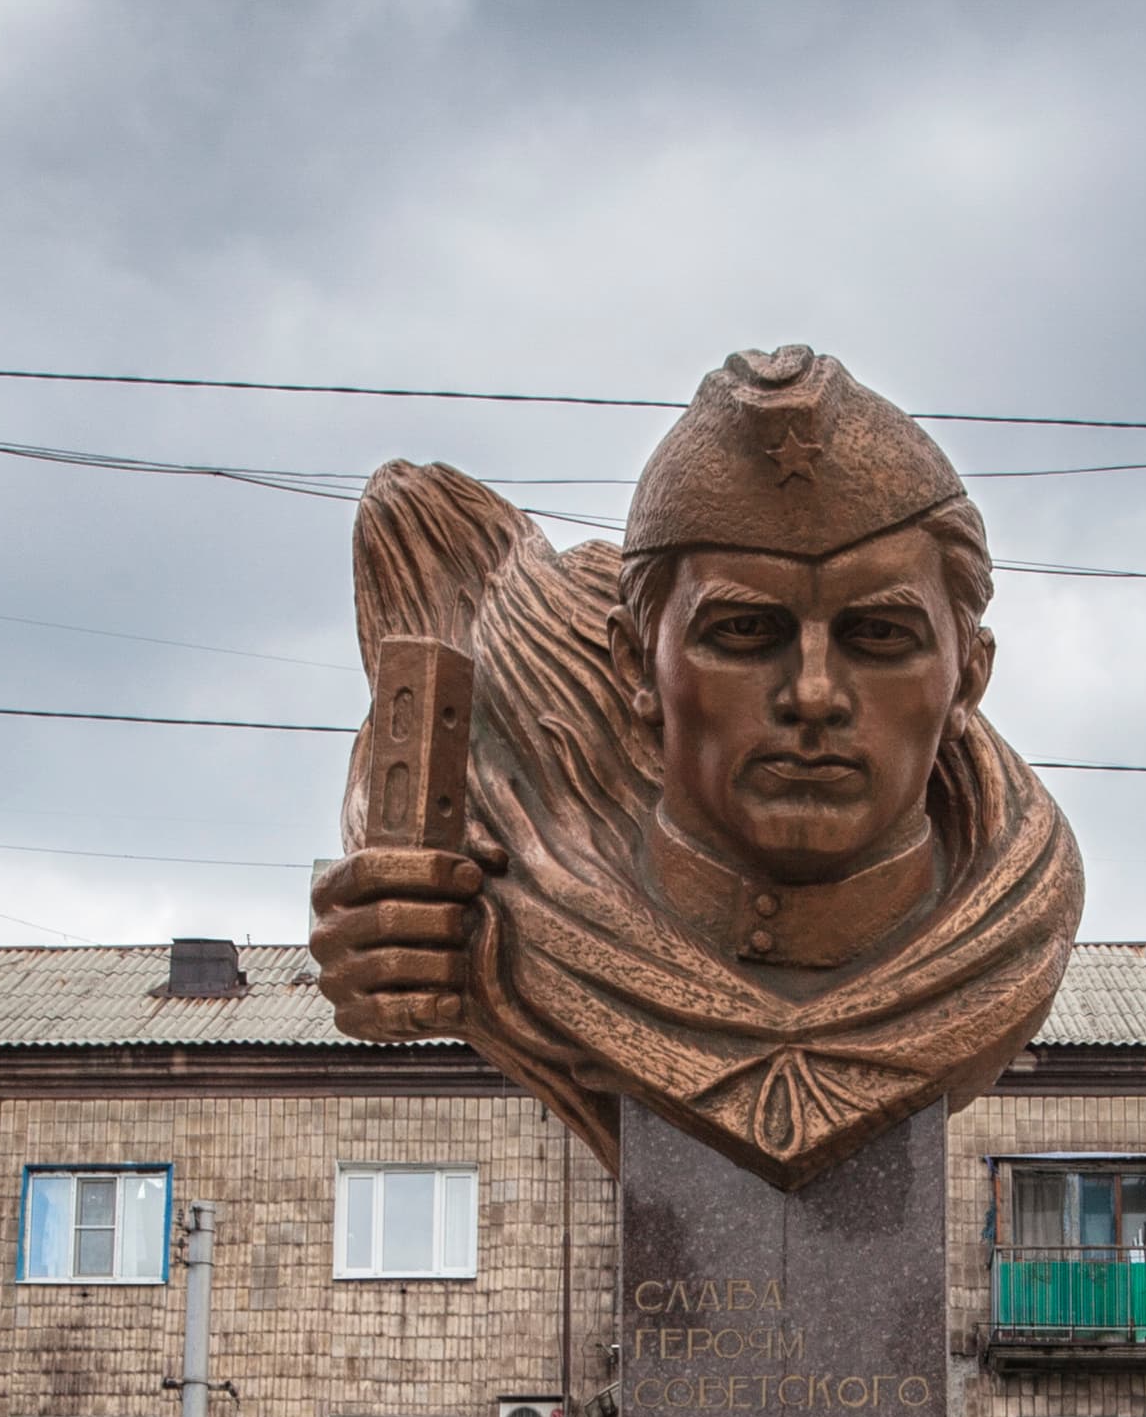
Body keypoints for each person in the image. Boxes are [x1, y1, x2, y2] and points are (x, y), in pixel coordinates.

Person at [306, 342, 1084, 1183]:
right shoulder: (504, 932)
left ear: (968, 676)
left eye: (880, 636)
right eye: (745, 633)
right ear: (639, 667)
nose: (814, 692)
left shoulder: (1011, 934)